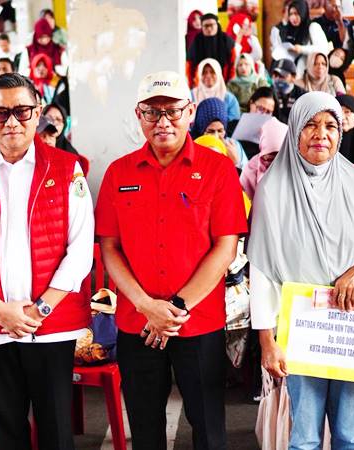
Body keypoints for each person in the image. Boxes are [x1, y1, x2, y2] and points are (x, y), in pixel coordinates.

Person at [95, 70, 246, 450]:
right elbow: (109, 248)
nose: (163, 121)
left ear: (190, 112)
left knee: (209, 429)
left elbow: (225, 247)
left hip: (198, 323)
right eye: (152, 112)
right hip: (137, 323)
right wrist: (148, 306)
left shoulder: (218, 169)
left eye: (173, 111)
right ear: (139, 115)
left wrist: (174, 310)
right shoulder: (118, 173)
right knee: (145, 429)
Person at [0, 73, 94, 450]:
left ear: (38, 112)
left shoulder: (67, 168)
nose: (12, 121)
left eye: (22, 111)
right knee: (5, 427)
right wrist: (1, 312)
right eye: (1, 113)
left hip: (51, 325)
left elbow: (79, 252)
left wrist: (39, 310)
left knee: (56, 429)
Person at [249, 92, 354, 450]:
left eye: (331, 125)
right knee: (304, 437)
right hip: (303, 329)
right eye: (311, 124)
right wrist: (267, 342)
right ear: (296, 129)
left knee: (351, 435)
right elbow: (264, 272)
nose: (321, 134)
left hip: (350, 324)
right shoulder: (273, 189)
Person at [270, 0, 330, 75]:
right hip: (290, 72)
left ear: (303, 12)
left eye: (296, 14)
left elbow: (323, 49)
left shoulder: (313, 27)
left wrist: (301, 49)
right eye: (291, 14)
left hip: (309, 73)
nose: (293, 17)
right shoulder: (289, 29)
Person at [191, 97, 248, 168]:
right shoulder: (190, 146)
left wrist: (236, 163)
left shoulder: (234, 146)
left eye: (220, 131)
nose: (216, 136)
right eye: (210, 131)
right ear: (201, 129)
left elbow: (246, 176)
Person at [240, 118, 288, 200]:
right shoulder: (251, 170)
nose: (274, 164)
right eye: (270, 159)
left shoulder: (296, 170)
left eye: (280, 157)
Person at [187, 14, 235, 87]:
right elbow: (189, 65)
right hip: (201, 84)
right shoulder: (197, 41)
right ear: (202, 27)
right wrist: (191, 85)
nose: (209, 29)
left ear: (217, 25)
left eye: (212, 25)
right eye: (206, 26)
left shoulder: (226, 40)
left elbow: (233, 63)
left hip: (225, 83)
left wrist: (230, 84)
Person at [192, 59, 241, 123]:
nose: (208, 76)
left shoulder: (229, 99)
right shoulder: (192, 95)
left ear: (218, 74)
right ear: (199, 75)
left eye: (212, 72)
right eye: (204, 72)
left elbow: (234, 122)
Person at [270, 59, 306, 124]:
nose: (277, 79)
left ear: (293, 77)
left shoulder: (303, 95)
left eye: (282, 76)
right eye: (275, 75)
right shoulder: (267, 92)